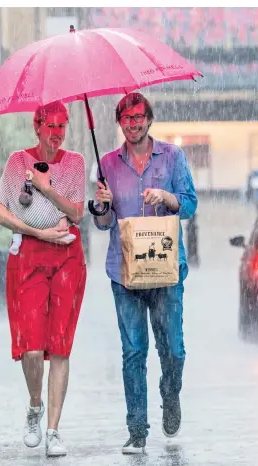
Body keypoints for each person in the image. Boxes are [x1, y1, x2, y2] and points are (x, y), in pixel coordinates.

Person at [94, 92, 197, 454]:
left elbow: (188, 204)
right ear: (120, 123)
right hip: (125, 274)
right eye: (127, 119)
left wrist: (167, 198)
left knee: (174, 350)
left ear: (149, 119)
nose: (134, 124)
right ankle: (137, 429)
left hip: (166, 271)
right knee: (134, 351)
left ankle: (170, 394)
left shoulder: (172, 156)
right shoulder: (106, 163)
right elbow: (104, 224)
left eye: (139, 117)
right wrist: (102, 206)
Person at [0, 101, 87, 457]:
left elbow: (77, 212)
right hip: (29, 258)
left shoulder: (75, 163)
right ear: (38, 128)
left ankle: (54, 431)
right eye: (51, 126)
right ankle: (35, 405)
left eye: (63, 126)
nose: (58, 132)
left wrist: (46, 188)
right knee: (32, 347)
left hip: (67, 259)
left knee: (60, 345)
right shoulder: (18, 162)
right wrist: (35, 231)